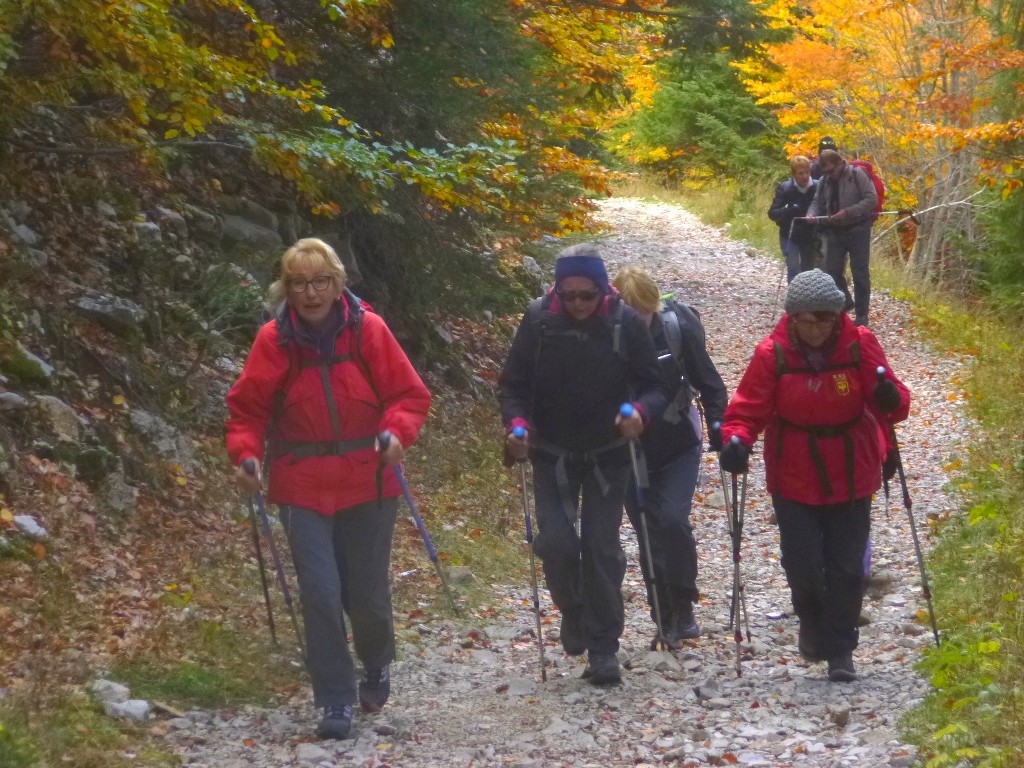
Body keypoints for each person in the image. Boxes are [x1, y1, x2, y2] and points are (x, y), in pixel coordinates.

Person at [225, 238, 431, 739]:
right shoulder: (273, 340)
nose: (311, 292)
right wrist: (246, 455)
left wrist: (396, 432)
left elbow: (408, 395)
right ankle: (334, 700)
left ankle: (377, 660)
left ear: (338, 284)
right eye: (299, 283)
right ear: (286, 288)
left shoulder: (368, 330)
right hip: (301, 482)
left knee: (366, 596)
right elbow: (247, 410)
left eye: (320, 281)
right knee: (320, 593)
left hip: (369, 476)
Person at [718, 269, 909, 682]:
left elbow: (894, 402)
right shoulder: (773, 354)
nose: (819, 325)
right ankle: (810, 616)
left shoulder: (860, 344)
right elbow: (747, 408)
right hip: (794, 469)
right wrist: (736, 441)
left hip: (852, 466)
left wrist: (891, 398)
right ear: (793, 316)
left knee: (845, 566)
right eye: (809, 317)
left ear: (839, 315)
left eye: (827, 316)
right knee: (802, 561)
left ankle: (841, 650)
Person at [499, 244, 670, 685]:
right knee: (556, 543)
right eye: (569, 294)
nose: (576, 303)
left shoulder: (625, 322)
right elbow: (513, 384)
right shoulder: (539, 321)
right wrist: (517, 424)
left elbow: (655, 386)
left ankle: (603, 647)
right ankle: (573, 611)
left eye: (586, 294)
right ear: (558, 289)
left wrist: (639, 413)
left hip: (609, 455)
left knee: (600, 546)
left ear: (602, 289)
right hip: (551, 453)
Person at [611, 267, 728, 648]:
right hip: (628, 450)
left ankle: (684, 604)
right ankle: (663, 617)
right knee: (647, 530)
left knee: (673, 521)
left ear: (653, 307)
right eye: (629, 315)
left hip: (679, 442)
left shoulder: (679, 330)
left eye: (642, 315)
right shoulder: (607, 337)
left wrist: (718, 426)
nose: (637, 324)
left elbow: (710, 382)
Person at [806, 148, 878, 327]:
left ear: (839, 163)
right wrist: (811, 214)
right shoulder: (824, 181)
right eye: (825, 171)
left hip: (858, 229)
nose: (829, 174)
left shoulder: (857, 175)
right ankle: (846, 301)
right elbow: (817, 201)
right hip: (835, 230)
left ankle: (862, 316)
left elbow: (871, 200)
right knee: (832, 271)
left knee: (859, 272)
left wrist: (848, 212)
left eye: (831, 170)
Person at [767, 156, 819, 282]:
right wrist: (788, 211)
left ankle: (807, 299)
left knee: (808, 270)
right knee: (793, 268)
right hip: (789, 234)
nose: (805, 176)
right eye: (801, 173)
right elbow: (772, 213)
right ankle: (794, 299)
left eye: (807, 172)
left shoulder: (818, 186)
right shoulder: (785, 188)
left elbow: (824, 207)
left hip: (811, 236)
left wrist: (816, 218)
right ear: (793, 174)